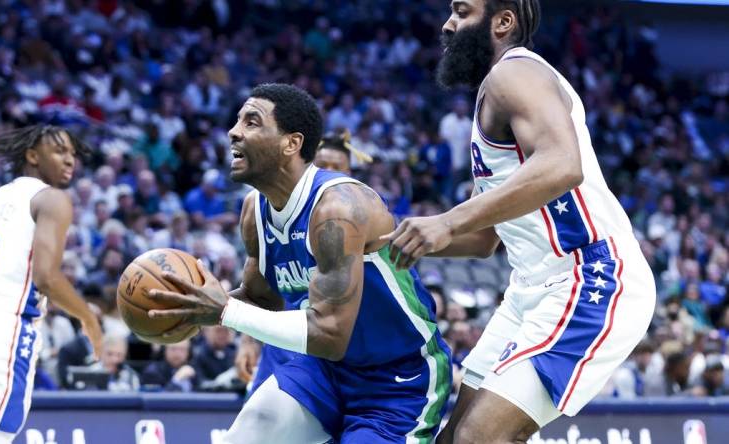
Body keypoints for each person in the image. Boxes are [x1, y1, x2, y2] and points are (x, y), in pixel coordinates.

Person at [381, 1, 656, 442]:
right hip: (531, 287)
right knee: (454, 439)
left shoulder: (514, 73)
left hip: (591, 275)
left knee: (480, 439)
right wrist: (375, 242)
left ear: (503, 21)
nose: (447, 23)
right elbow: (484, 238)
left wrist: (447, 221)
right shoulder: (495, 95)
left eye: (462, 11)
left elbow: (564, 164)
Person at [147, 83, 451, 443]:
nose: (233, 131)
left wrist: (225, 311)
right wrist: (190, 305)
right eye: (237, 120)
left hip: (396, 382)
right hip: (325, 372)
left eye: (252, 122)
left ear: (291, 143)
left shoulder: (338, 208)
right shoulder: (253, 211)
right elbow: (264, 299)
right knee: (250, 429)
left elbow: (331, 334)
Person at [0, 125, 103, 444]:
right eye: (59, 152)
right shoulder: (52, 199)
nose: (70, 160)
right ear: (32, 156)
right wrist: (87, 317)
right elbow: (47, 277)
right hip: (5, 331)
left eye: (72, 153)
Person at [232, 129, 376, 393]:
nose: (331, 172)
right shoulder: (269, 211)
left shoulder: (354, 216)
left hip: (340, 348)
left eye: (338, 167)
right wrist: (248, 341)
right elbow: (260, 289)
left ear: (351, 173)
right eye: (324, 166)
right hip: (285, 341)